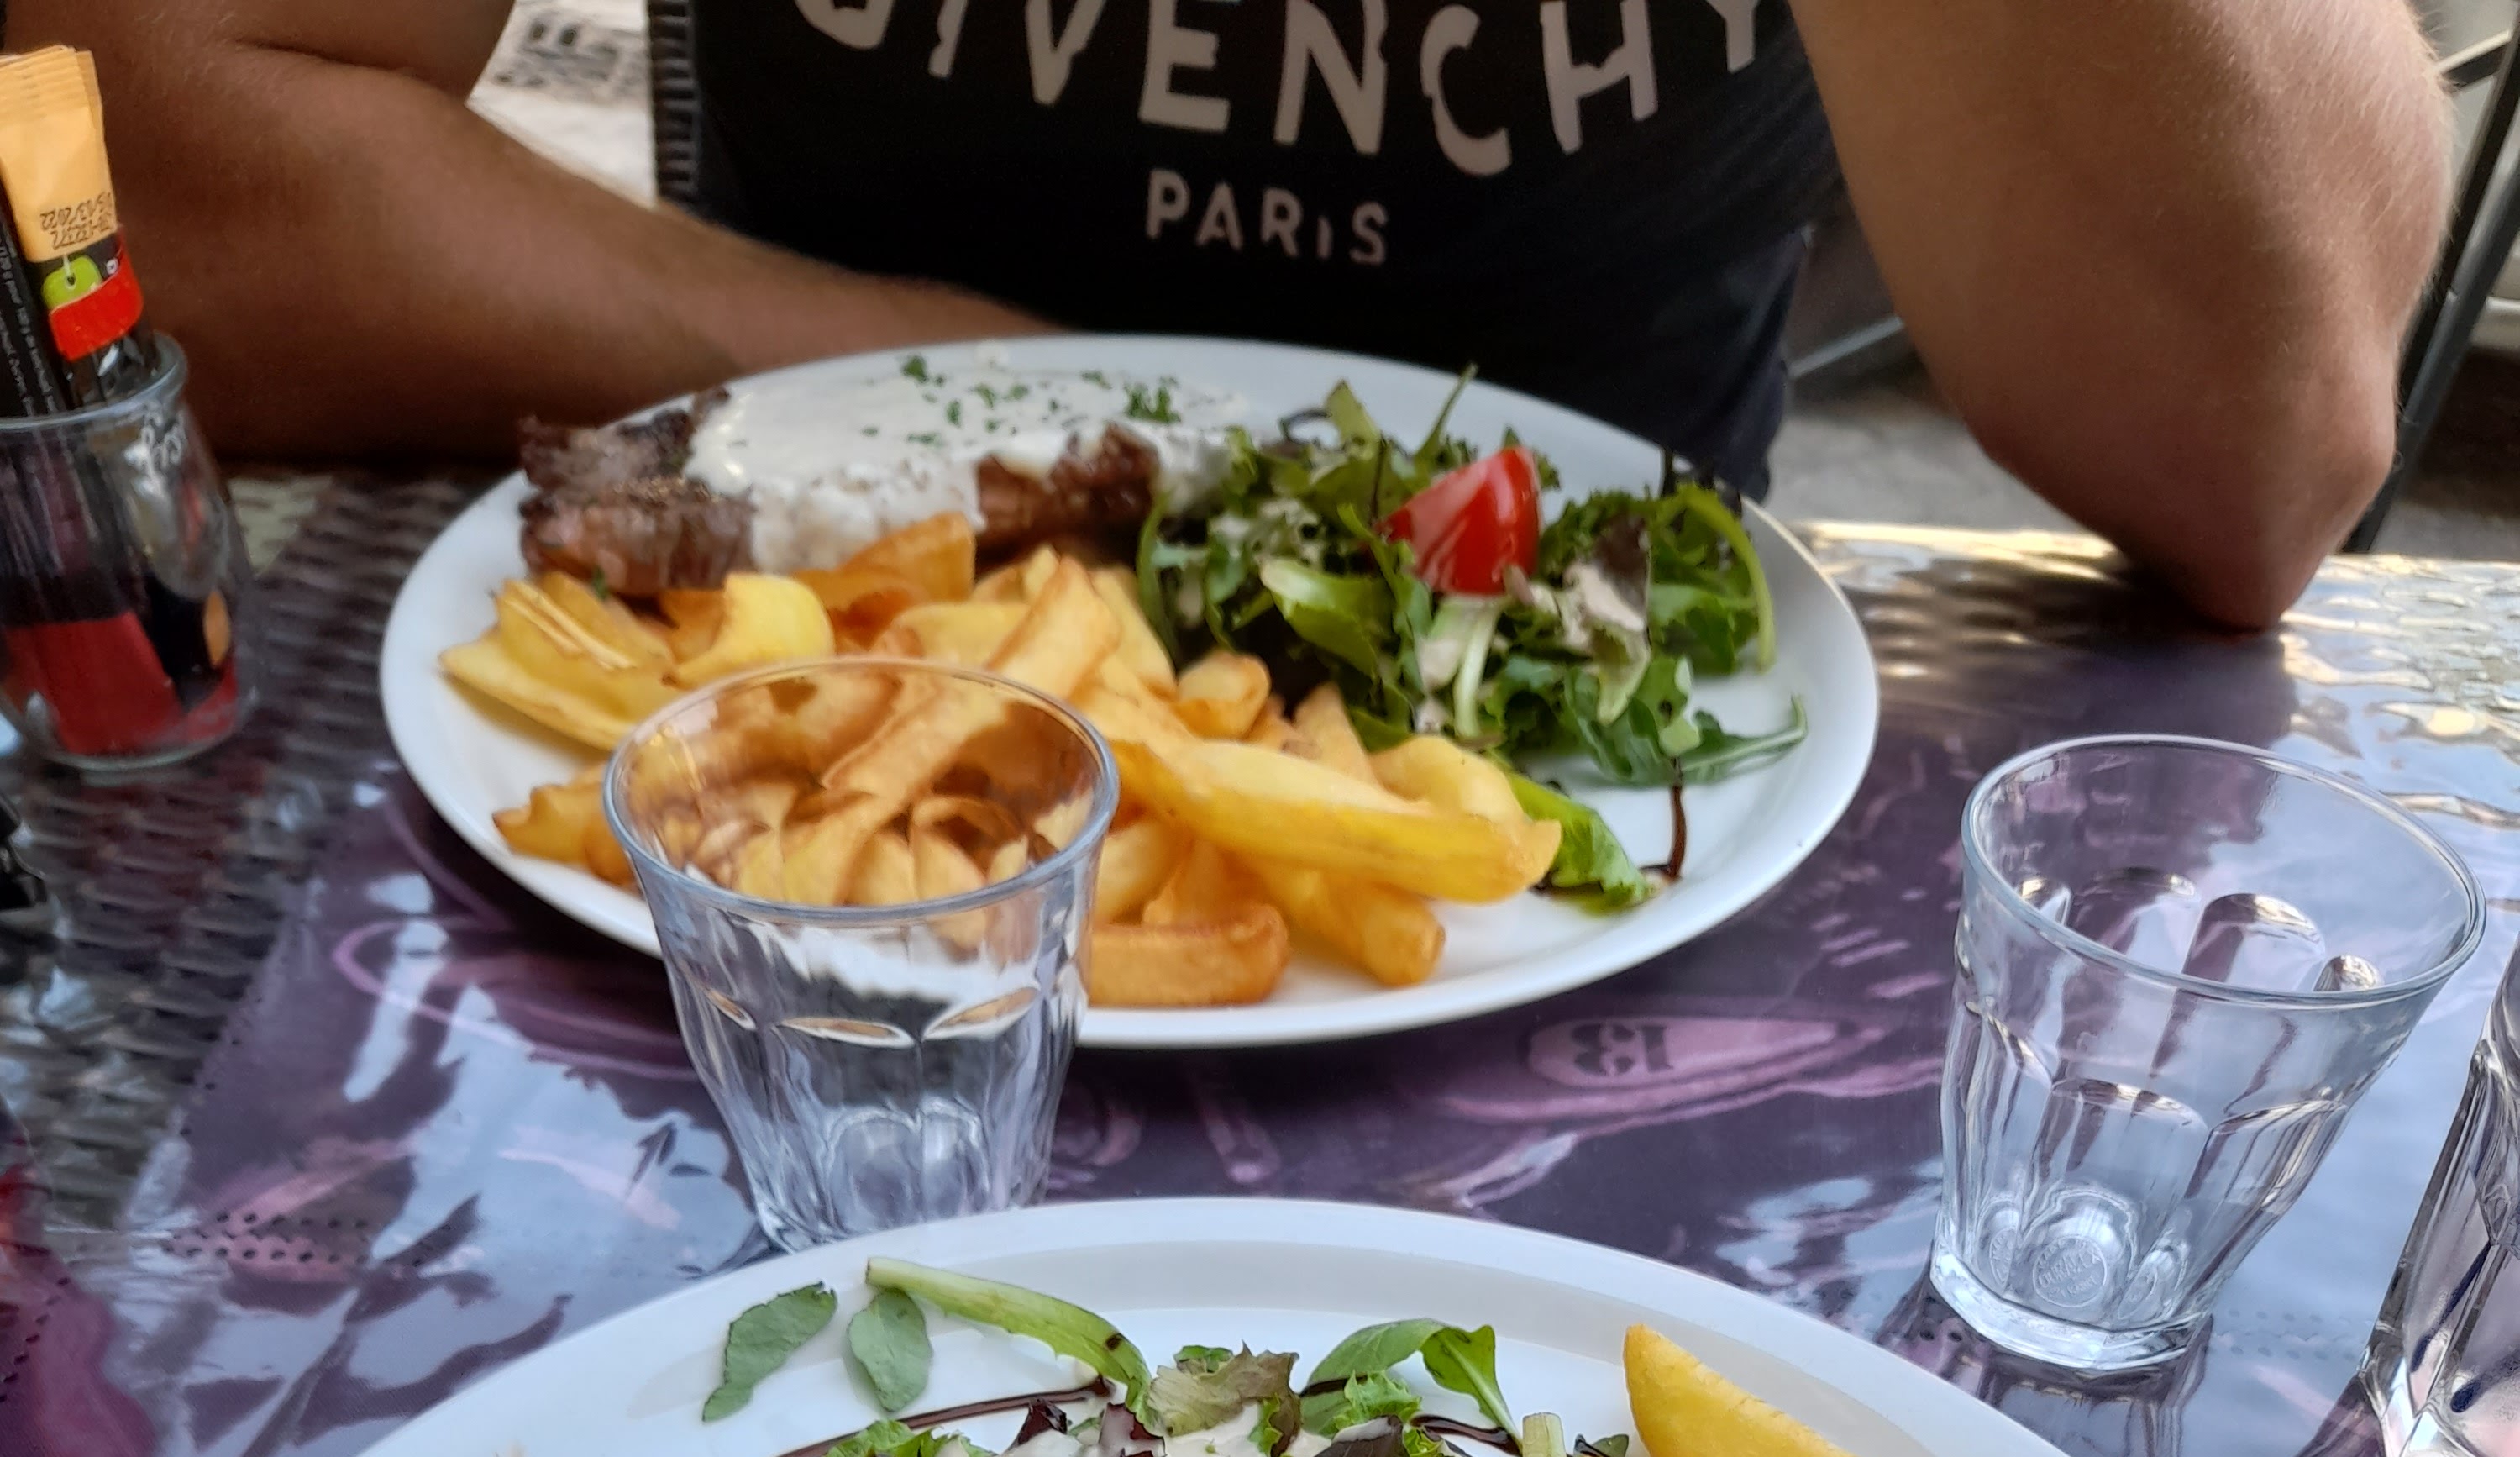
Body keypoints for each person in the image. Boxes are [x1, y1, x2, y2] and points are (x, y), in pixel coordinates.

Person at [18, 0, 2450, 628]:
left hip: (1607, 791)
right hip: (796, 727)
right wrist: (915, 373)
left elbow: (2260, 445)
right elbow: (107, 153)